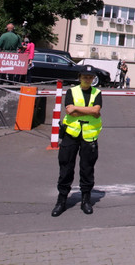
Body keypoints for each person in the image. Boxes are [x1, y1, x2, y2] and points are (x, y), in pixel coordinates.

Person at [52, 66, 102, 217]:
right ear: (80, 77)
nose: (87, 79)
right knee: (66, 167)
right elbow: (69, 110)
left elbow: (96, 111)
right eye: (85, 76)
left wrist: (77, 109)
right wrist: (89, 110)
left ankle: (85, 200)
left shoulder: (97, 93)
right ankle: (61, 200)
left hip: (89, 135)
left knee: (87, 169)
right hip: (71, 134)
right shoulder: (71, 91)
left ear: (93, 79)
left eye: (90, 77)